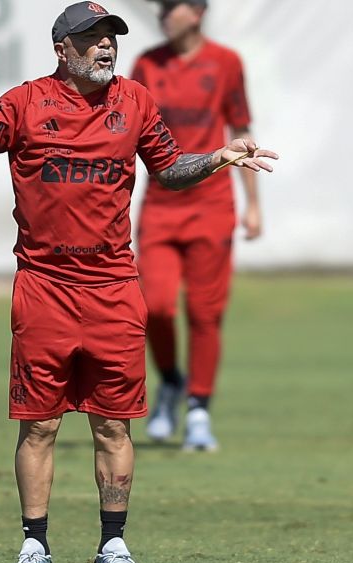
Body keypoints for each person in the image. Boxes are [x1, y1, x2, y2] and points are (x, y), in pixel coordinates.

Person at [0, 3, 278, 563]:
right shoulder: (25, 103)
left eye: (110, 37)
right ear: (61, 50)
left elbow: (167, 168)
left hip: (114, 287)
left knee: (112, 423)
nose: (105, 47)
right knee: (40, 423)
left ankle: (113, 547)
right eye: (91, 38)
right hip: (44, 286)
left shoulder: (135, 101)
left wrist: (218, 158)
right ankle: (34, 549)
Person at [131, 0, 261, 451]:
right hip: (161, 204)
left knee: (206, 313)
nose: (164, 12)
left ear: (198, 12)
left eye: (173, 5)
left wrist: (253, 205)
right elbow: (129, 132)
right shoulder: (147, 63)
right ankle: (170, 382)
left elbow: (240, 130)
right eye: (162, 6)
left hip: (212, 203)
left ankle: (200, 410)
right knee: (156, 305)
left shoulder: (226, 63)